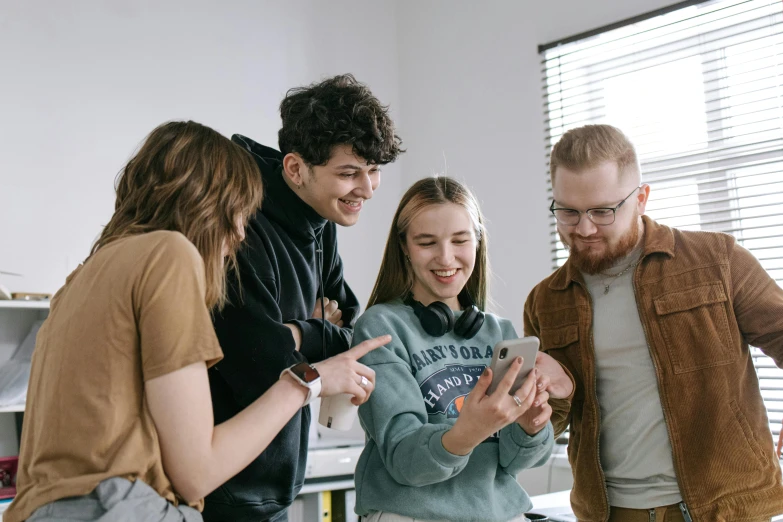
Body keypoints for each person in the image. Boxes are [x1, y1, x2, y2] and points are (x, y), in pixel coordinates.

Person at [5, 121, 388, 522]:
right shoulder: (169, 254)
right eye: (239, 213)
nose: (240, 234)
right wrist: (314, 380)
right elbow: (197, 473)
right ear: (205, 204)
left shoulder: (81, 278)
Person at [524, 124, 783, 522]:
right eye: (568, 212)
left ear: (641, 198)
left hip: (728, 510)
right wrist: (533, 409)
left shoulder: (718, 260)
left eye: (602, 211)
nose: (585, 228)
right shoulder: (546, 302)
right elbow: (550, 418)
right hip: (612, 513)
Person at [204, 74, 403, 521]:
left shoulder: (321, 219)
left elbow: (352, 332)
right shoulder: (241, 227)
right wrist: (315, 333)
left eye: (373, 171)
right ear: (295, 168)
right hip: (223, 489)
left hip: (277, 480)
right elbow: (260, 366)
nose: (367, 189)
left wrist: (297, 334)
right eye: (349, 173)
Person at [350, 177, 574, 522]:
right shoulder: (381, 328)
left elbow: (514, 464)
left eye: (460, 240)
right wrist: (468, 431)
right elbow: (403, 460)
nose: (446, 257)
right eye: (426, 242)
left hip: (501, 513)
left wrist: (530, 426)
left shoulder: (499, 332)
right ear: (404, 247)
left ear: (478, 241)